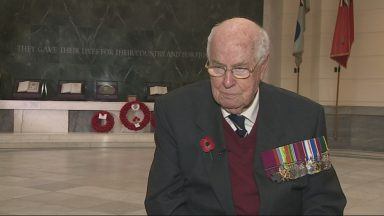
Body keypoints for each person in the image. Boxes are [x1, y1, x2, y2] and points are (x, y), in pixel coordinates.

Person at [145, 17, 346, 215]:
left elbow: (324, 200)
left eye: (240, 69)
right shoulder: (177, 112)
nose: (227, 81)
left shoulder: (301, 118)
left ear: (263, 66)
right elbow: (163, 201)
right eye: (218, 67)